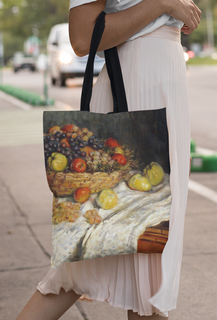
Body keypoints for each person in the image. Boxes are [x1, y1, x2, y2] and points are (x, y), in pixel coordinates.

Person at [16, 0, 200, 319]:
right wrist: (163, 4)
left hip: (162, 86)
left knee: (129, 259)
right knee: (147, 257)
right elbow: (82, 38)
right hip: (138, 94)